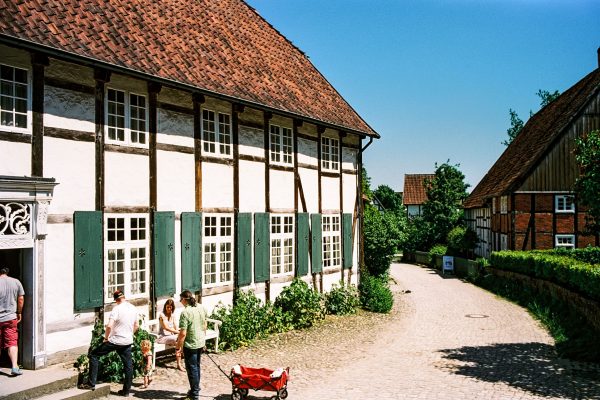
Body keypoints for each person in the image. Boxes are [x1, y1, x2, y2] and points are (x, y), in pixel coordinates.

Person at [79, 289, 138, 397]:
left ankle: (91, 383)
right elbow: (136, 326)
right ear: (124, 297)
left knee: (94, 355)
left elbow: (109, 326)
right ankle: (126, 391)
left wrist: (106, 338)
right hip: (127, 341)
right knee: (128, 366)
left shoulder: (117, 309)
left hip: (115, 340)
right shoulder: (133, 308)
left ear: (116, 300)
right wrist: (129, 334)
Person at [176, 290, 207, 400]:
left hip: (191, 344)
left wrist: (178, 347)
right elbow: (205, 324)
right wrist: (203, 337)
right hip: (200, 341)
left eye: (180, 299)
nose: (180, 302)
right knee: (197, 366)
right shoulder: (201, 307)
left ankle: (194, 394)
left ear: (184, 299)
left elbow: (183, 333)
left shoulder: (185, 312)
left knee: (192, 368)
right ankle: (195, 389)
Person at [0, 266, 24, 376]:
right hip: (10, 318)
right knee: (12, 342)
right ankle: (14, 367)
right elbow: (20, 299)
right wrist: (19, 312)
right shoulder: (16, 282)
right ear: (7, 271)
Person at [157, 298, 184, 371]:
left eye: (170, 307)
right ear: (165, 307)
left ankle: (179, 364)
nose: (168, 309)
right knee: (178, 339)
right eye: (167, 307)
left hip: (171, 337)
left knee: (179, 340)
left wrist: (180, 331)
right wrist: (179, 333)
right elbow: (166, 328)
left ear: (172, 308)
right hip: (162, 337)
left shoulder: (173, 315)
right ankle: (182, 360)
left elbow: (176, 326)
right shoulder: (161, 315)